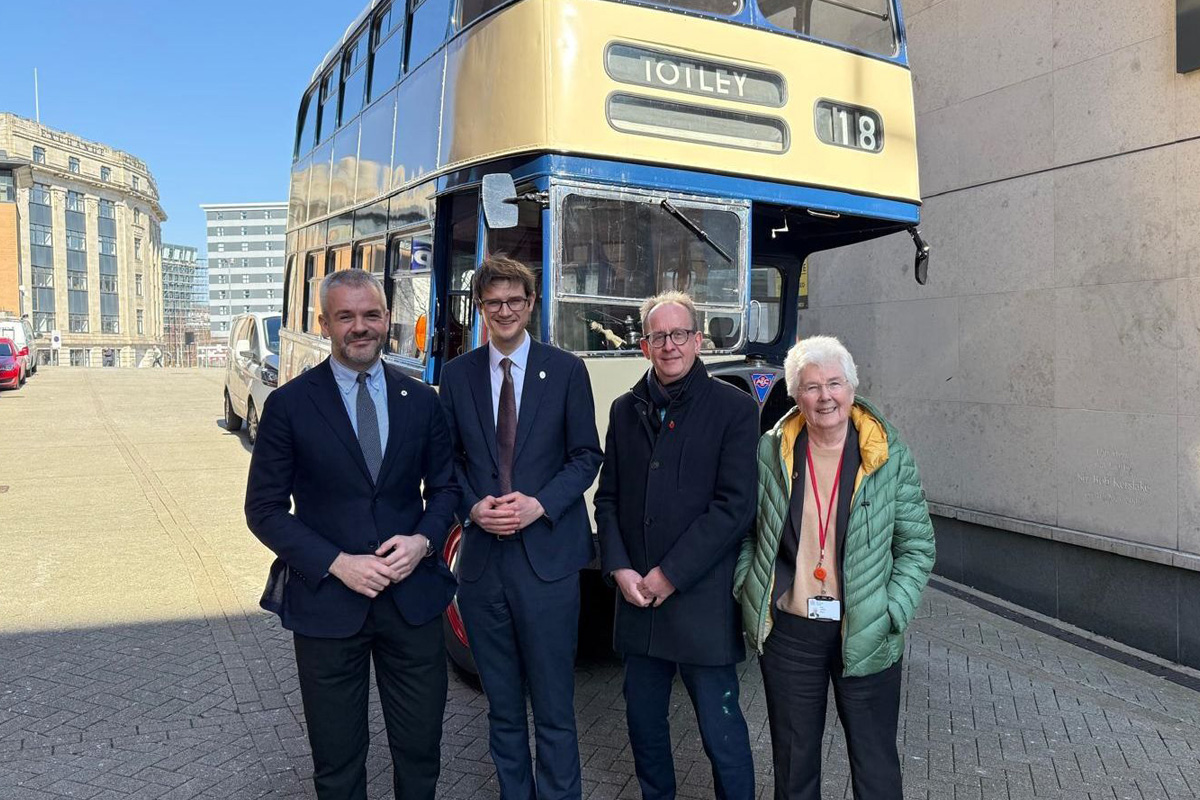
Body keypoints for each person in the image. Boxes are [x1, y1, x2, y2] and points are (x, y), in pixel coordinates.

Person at [244, 269, 460, 800]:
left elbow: (448, 490)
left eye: (370, 315)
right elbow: (264, 509)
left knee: (420, 752)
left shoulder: (421, 400)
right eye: (346, 317)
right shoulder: (289, 405)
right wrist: (337, 562)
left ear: (387, 320)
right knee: (337, 763)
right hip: (328, 605)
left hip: (412, 602)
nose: (360, 327)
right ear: (324, 324)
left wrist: (423, 542)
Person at [734, 335, 936, 800]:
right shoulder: (771, 451)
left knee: (875, 764)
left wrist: (891, 610)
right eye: (810, 387)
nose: (824, 396)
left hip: (866, 628)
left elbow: (918, 545)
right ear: (795, 395)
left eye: (834, 383)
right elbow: (749, 530)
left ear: (852, 387)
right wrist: (750, 585)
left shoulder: (886, 454)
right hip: (790, 634)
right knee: (793, 764)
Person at [439, 255, 603, 800]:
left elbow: (585, 456)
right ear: (481, 310)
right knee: (503, 706)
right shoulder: (457, 376)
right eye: (493, 303)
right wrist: (470, 508)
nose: (504, 311)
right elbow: (447, 462)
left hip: (549, 562)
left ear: (531, 304)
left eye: (514, 300)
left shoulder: (566, 370)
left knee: (554, 705)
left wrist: (540, 504)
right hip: (483, 568)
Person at [594, 291, 757, 800]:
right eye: (658, 336)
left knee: (721, 732)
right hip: (638, 601)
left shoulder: (735, 408)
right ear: (644, 345)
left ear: (699, 340)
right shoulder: (624, 410)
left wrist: (670, 574)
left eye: (680, 334)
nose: (670, 346)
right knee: (644, 727)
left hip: (699, 601)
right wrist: (618, 568)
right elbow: (608, 498)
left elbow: (733, 507)